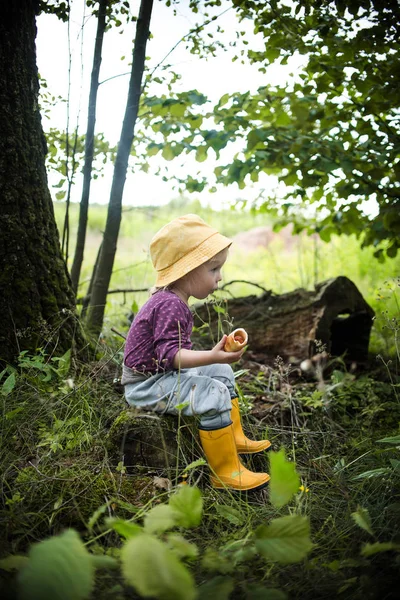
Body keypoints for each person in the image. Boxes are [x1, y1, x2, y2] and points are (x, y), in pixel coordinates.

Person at [121, 214, 271, 491]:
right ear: (186, 271)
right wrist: (212, 355)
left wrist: (217, 359)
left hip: (161, 375)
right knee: (212, 390)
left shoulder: (172, 300)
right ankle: (225, 470)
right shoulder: (170, 304)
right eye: (213, 269)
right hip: (144, 386)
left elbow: (173, 358)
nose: (220, 277)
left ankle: (233, 435)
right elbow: (172, 356)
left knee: (223, 372)